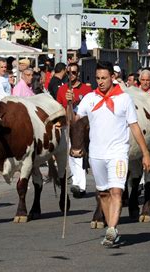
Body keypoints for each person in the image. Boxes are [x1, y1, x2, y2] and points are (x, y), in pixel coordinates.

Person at [73, 61, 150, 247]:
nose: (100, 82)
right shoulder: (89, 98)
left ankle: (111, 229)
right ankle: (112, 229)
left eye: (104, 78)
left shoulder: (124, 99)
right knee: (103, 193)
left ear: (112, 77)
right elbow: (75, 120)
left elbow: (134, 126)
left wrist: (145, 153)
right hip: (96, 154)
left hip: (118, 153)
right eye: (98, 78)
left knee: (116, 191)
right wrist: (70, 105)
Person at [57, 63, 92, 197]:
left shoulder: (86, 90)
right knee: (71, 154)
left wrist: (76, 99)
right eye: (69, 73)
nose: (71, 75)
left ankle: (80, 185)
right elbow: (59, 106)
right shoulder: (62, 90)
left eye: (74, 72)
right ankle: (76, 182)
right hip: (68, 125)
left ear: (78, 74)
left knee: (80, 153)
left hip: (82, 127)